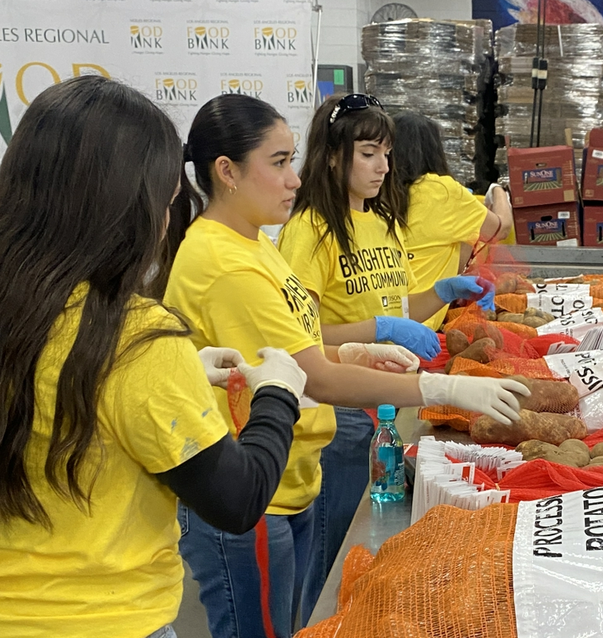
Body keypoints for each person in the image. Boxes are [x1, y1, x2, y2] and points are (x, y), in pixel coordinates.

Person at [0, 76, 308, 638]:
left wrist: (179, 372)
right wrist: (279, 392)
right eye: (163, 201)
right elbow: (237, 499)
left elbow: (44, 389)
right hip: (103, 621)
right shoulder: (134, 337)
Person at [164, 94, 527, 637]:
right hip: (252, 489)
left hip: (288, 474)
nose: (293, 178)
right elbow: (313, 374)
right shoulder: (229, 262)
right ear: (227, 171)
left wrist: (358, 346)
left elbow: (296, 349)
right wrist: (438, 387)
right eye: (280, 162)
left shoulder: (255, 247)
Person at [277, 93, 501, 610]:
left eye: (387, 153)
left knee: (362, 549)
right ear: (333, 155)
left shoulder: (381, 223)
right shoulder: (309, 232)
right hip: (336, 414)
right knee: (331, 562)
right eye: (368, 153)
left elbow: (400, 306)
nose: (383, 166)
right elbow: (299, 334)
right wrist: (380, 327)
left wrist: (443, 292)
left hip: (382, 405)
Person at [390, 110, 514, 329]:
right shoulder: (442, 191)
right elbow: (501, 228)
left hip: (377, 318)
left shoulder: (377, 190)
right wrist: (499, 192)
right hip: (418, 323)